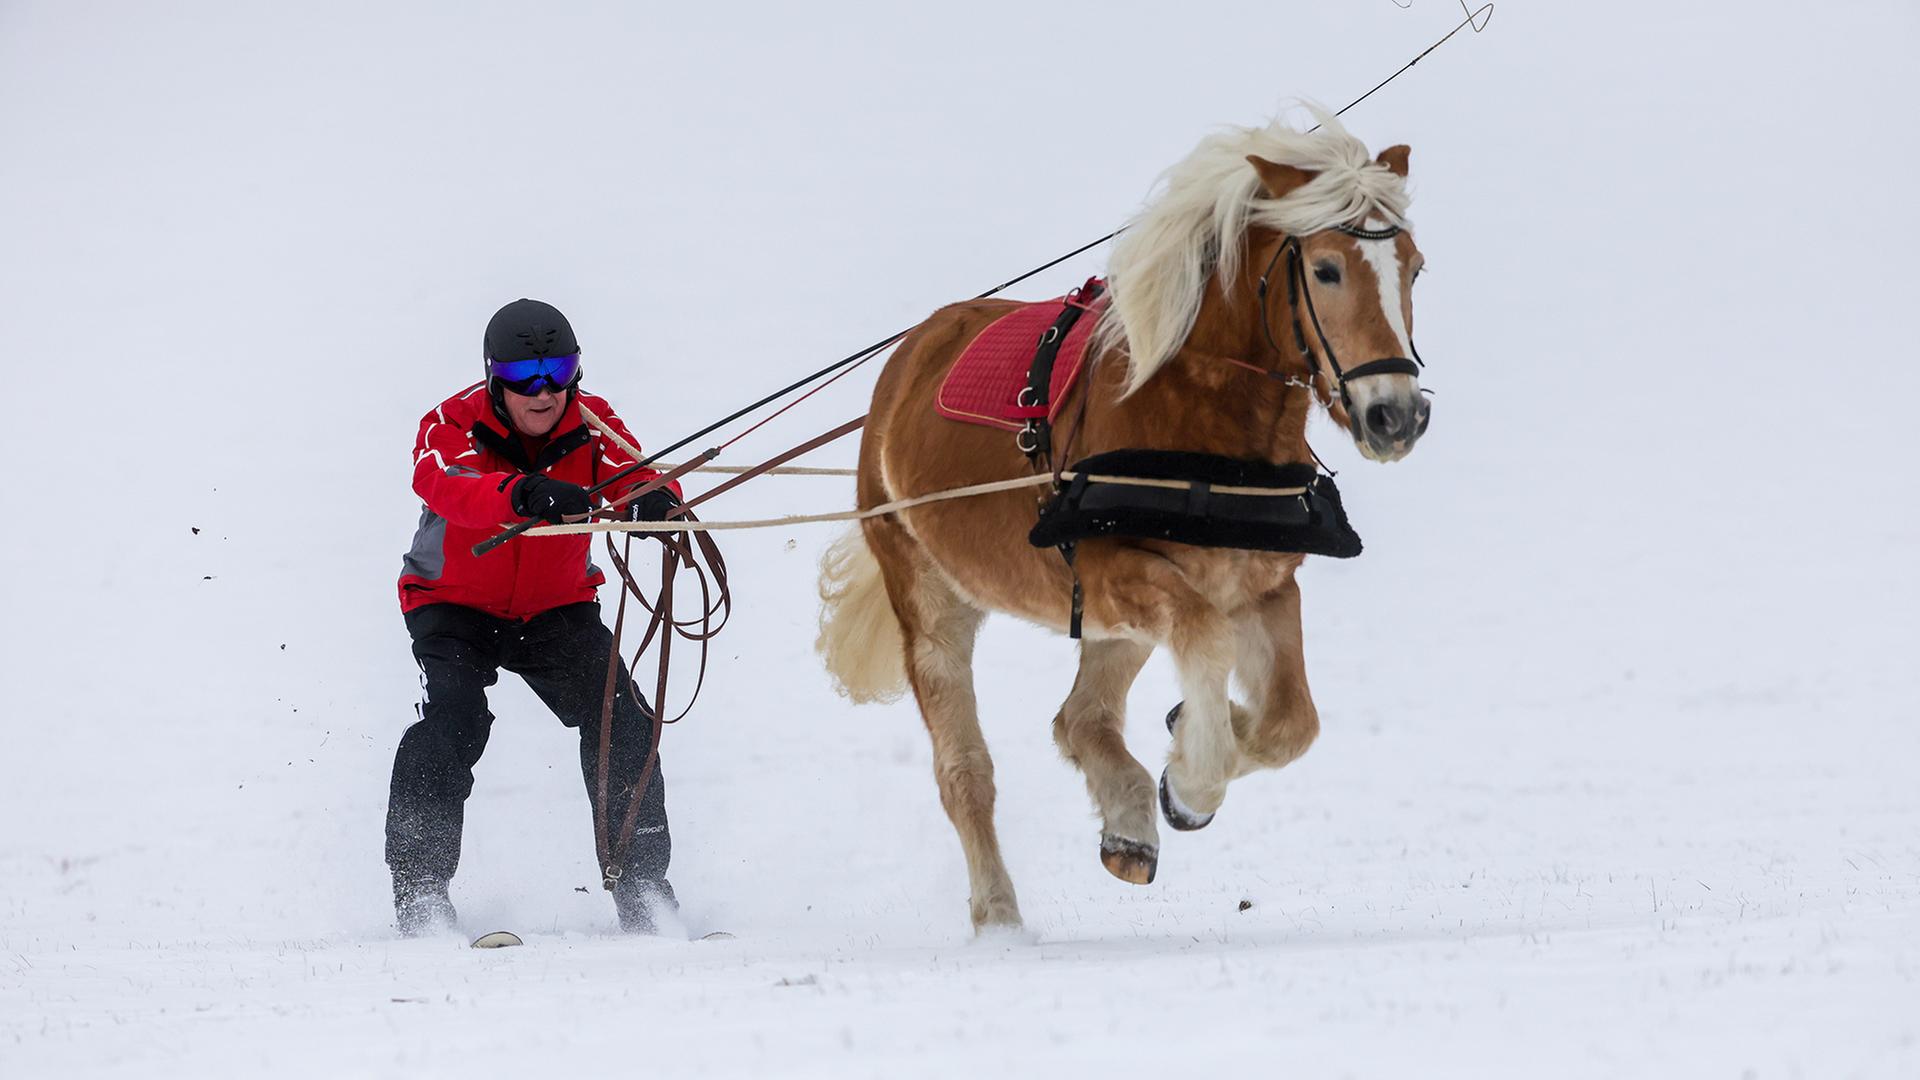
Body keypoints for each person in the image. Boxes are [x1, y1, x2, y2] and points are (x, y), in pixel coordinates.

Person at [388, 298, 681, 936]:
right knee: (455, 721)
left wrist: (657, 499)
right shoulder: (450, 424)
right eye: (525, 378)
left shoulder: (594, 423)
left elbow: (640, 474)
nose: (544, 391)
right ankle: (420, 893)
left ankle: (642, 889)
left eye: (560, 370)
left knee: (620, 717)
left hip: (556, 610)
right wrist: (521, 493)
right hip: (452, 606)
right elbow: (444, 485)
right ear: (495, 379)